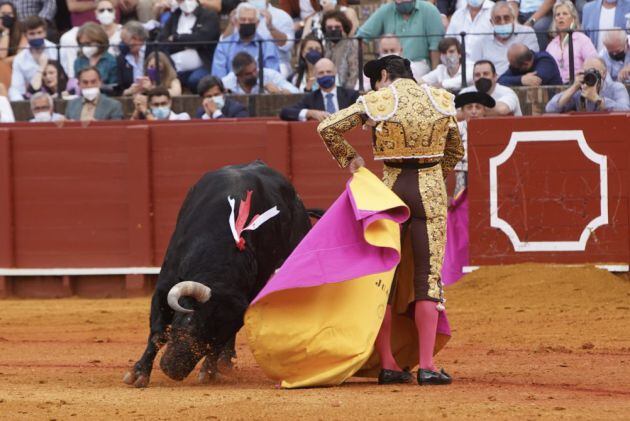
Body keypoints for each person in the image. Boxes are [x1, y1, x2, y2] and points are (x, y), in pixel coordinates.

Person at [317, 54, 463, 386]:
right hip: (429, 190)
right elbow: (455, 150)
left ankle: (388, 363)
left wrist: (351, 160)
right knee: (427, 280)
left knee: (384, 281)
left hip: (390, 191)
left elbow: (328, 127)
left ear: (384, 74)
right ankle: (426, 365)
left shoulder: (379, 100)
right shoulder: (441, 99)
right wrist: (434, 177)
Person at [441, 91, 495, 286]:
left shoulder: (494, 129)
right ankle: (456, 275)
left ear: (485, 111)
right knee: (460, 230)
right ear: (462, 111)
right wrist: (447, 194)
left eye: (478, 107)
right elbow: (446, 165)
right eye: (469, 108)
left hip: (488, 185)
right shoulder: (454, 130)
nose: (474, 111)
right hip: (461, 185)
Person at [356, 0, 445, 70]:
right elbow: (361, 37)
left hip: (418, 65)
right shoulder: (386, 10)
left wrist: (434, 74)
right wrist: (357, 66)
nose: (402, 1)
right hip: (388, 64)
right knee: (366, 80)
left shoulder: (430, 10)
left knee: (400, 76)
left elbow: (435, 46)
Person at [157, 0, 220, 92]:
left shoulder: (208, 16)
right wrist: (187, 43)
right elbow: (162, 39)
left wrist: (176, 38)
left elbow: (202, 39)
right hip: (173, 67)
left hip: (203, 65)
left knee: (195, 80)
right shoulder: (175, 15)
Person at [211, 2, 281, 79]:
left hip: (261, 88)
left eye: (251, 20)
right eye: (243, 20)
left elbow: (273, 75)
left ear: (257, 23)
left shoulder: (267, 45)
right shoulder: (224, 45)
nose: (246, 22)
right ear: (236, 22)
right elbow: (218, 76)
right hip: (230, 88)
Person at [469, 1, 539, 76]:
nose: (502, 22)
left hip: (520, 82)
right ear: (491, 22)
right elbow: (474, 70)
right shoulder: (481, 42)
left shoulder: (527, 33)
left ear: (513, 18)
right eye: (498, 19)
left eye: (506, 18)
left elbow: (532, 63)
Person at [280, 57, 359, 121]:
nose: (325, 75)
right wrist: (310, 113)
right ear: (315, 75)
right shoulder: (310, 98)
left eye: (329, 72)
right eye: (321, 73)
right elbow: (285, 113)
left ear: (335, 72)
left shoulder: (351, 95)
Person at [545, 56, 630, 112]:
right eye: (587, 72)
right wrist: (574, 87)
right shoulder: (579, 92)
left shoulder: (616, 88)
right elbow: (550, 109)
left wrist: (598, 100)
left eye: (594, 72)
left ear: (604, 74)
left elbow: (626, 110)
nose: (590, 76)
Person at [546, 0, 598, 84]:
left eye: (565, 14)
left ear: (573, 19)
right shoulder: (551, 46)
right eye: (557, 14)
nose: (560, 17)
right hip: (557, 89)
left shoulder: (582, 40)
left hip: (579, 87)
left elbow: (595, 64)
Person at [8, 16, 58, 101]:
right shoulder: (19, 59)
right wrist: (22, 105)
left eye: (39, 33)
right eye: (32, 34)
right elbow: (16, 88)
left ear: (45, 33)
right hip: (32, 100)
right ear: (25, 35)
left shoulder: (56, 50)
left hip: (56, 97)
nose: (36, 37)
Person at [245, 0, 294, 77]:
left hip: (277, 63)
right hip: (245, 64)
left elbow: (287, 45)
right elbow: (224, 42)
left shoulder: (282, 16)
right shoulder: (240, 15)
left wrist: (271, 27)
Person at [221, 51, 298, 94]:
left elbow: (296, 92)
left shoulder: (270, 75)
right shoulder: (227, 82)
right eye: (248, 74)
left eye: (255, 70)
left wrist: (279, 91)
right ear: (238, 76)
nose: (254, 74)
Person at [320, 10, 357, 90]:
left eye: (337, 27)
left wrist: (346, 94)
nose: (333, 30)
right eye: (329, 27)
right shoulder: (324, 45)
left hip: (345, 91)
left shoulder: (351, 45)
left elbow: (354, 73)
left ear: (343, 27)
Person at [74, 22, 118, 88]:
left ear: (99, 41)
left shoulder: (111, 61)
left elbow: (114, 86)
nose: (85, 47)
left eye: (88, 44)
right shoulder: (79, 61)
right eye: (82, 44)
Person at [498, 42, 562, 86]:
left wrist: (516, 80)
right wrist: (521, 79)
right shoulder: (516, 66)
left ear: (526, 64)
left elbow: (536, 80)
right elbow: (500, 81)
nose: (511, 67)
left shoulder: (545, 60)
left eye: (514, 67)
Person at [117, 21, 150, 95]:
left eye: (124, 40)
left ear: (135, 38)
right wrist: (129, 91)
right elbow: (118, 86)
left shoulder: (152, 52)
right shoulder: (121, 59)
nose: (122, 43)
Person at [0, 1, 26, 68]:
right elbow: (2, 54)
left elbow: (20, 56)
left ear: (14, 15)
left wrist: (3, 62)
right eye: (3, 13)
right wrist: (5, 31)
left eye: (9, 13)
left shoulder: (22, 28)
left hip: (17, 66)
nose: (6, 16)